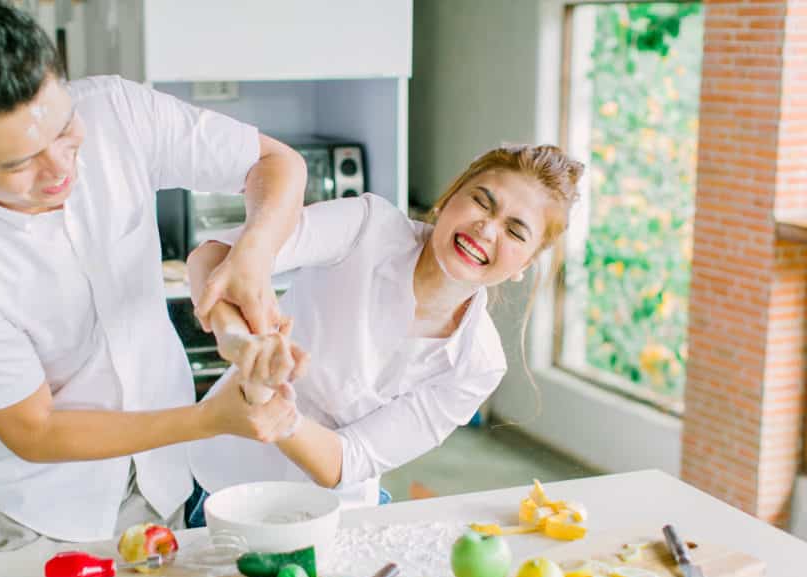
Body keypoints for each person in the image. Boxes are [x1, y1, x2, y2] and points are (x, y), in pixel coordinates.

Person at [0, 0, 308, 554]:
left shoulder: (117, 110)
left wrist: (252, 256)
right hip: (38, 514)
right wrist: (210, 420)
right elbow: (36, 431)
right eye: (21, 163)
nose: (60, 168)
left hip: (164, 482)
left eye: (64, 129)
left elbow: (277, 163)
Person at [186, 144, 584, 512]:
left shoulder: (478, 364)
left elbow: (345, 462)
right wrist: (240, 342)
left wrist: (268, 402)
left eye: (515, 231)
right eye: (481, 201)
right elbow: (216, 257)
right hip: (224, 491)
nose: (487, 229)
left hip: (338, 516)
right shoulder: (365, 227)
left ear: (523, 266)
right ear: (450, 197)